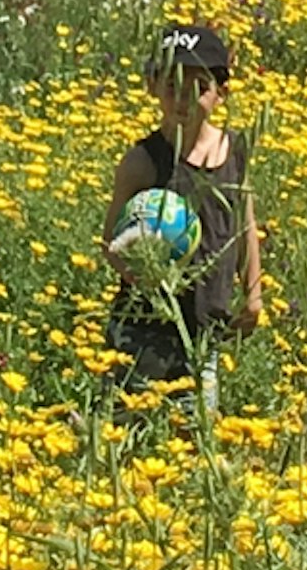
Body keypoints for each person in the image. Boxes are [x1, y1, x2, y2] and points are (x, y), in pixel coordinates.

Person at [101, 22, 261, 389]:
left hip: (205, 332)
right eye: (172, 86)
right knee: (128, 433)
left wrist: (253, 295)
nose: (183, 100)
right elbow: (110, 242)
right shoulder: (142, 162)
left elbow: (244, 223)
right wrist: (145, 277)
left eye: (199, 88)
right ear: (151, 86)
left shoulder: (234, 151)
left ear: (222, 92)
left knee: (194, 437)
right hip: (142, 333)